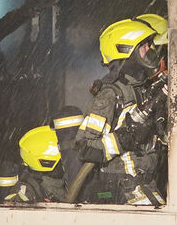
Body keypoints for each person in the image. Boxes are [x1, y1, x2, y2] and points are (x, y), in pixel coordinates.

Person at [72, 14, 169, 205]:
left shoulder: (140, 90)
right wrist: (124, 138)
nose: (150, 51)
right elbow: (85, 147)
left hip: (145, 183)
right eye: (144, 46)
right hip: (121, 188)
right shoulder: (110, 95)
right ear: (126, 51)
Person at [0, 107, 84, 203]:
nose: (66, 163)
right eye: (62, 159)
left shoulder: (57, 186)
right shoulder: (25, 195)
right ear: (46, 163)